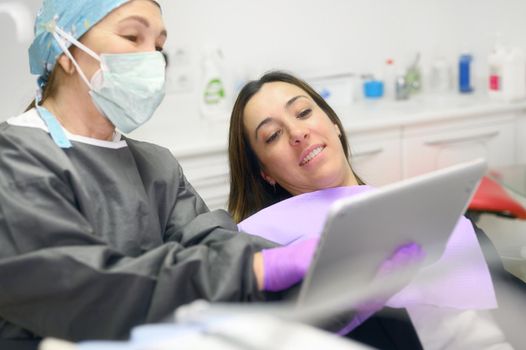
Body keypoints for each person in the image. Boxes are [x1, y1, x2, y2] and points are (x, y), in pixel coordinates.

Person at [0, 2, 320, 347]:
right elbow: (75, 287)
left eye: (158, 47)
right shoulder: (15, 157)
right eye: (132, 36)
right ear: (65, 49)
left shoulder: (155, 164)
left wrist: (317, 266)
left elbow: (215, 243)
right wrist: (252, 270)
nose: (153, 59)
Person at [227, 71, 512, 349]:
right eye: (273, 135)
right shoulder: (275, 261)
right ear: (266, 173)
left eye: (303, 113)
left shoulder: (428, 210)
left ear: (334, 123)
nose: (297, 133)